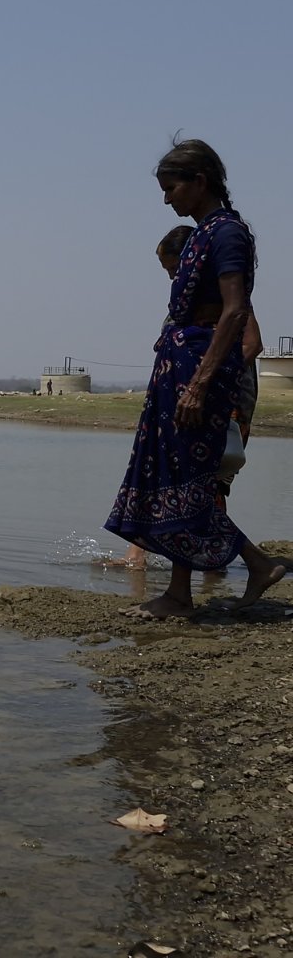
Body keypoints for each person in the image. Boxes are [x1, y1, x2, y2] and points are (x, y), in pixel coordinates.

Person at [105, 138, 289, 619]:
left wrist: (201, 383)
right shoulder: (203, 232)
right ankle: (187, 591)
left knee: (191, 481)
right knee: (179, 478)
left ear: (199, 182)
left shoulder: (227, 234)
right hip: (181, 369)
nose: (167, 199)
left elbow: (235, 313)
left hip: (200, 371)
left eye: (172, 188)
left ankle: (253, 565)